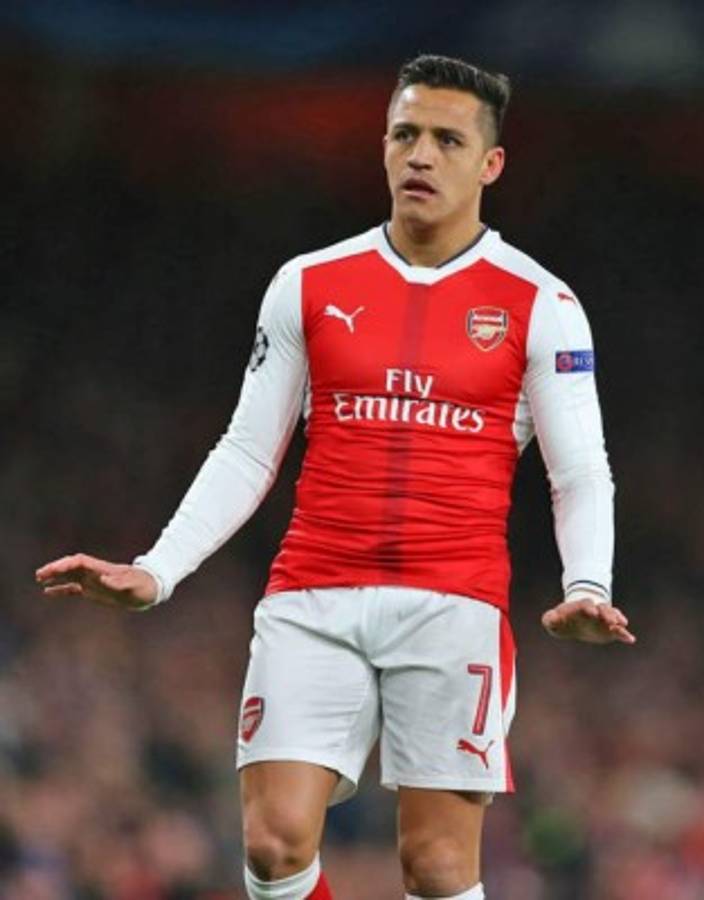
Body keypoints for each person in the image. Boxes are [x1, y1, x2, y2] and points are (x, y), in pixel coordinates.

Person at [37, 54, 635, 900]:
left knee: (436, 867)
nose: (420, 155)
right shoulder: (308, 282)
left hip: (454, 601)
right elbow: (249, 449)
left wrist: (587, 584)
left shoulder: (542, 302)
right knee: (272, 845)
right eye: (405, 134)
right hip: (313, 592)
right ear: (383, 145)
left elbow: (579, 470)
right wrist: (158, 570)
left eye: (447, 140)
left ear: (491, 163)